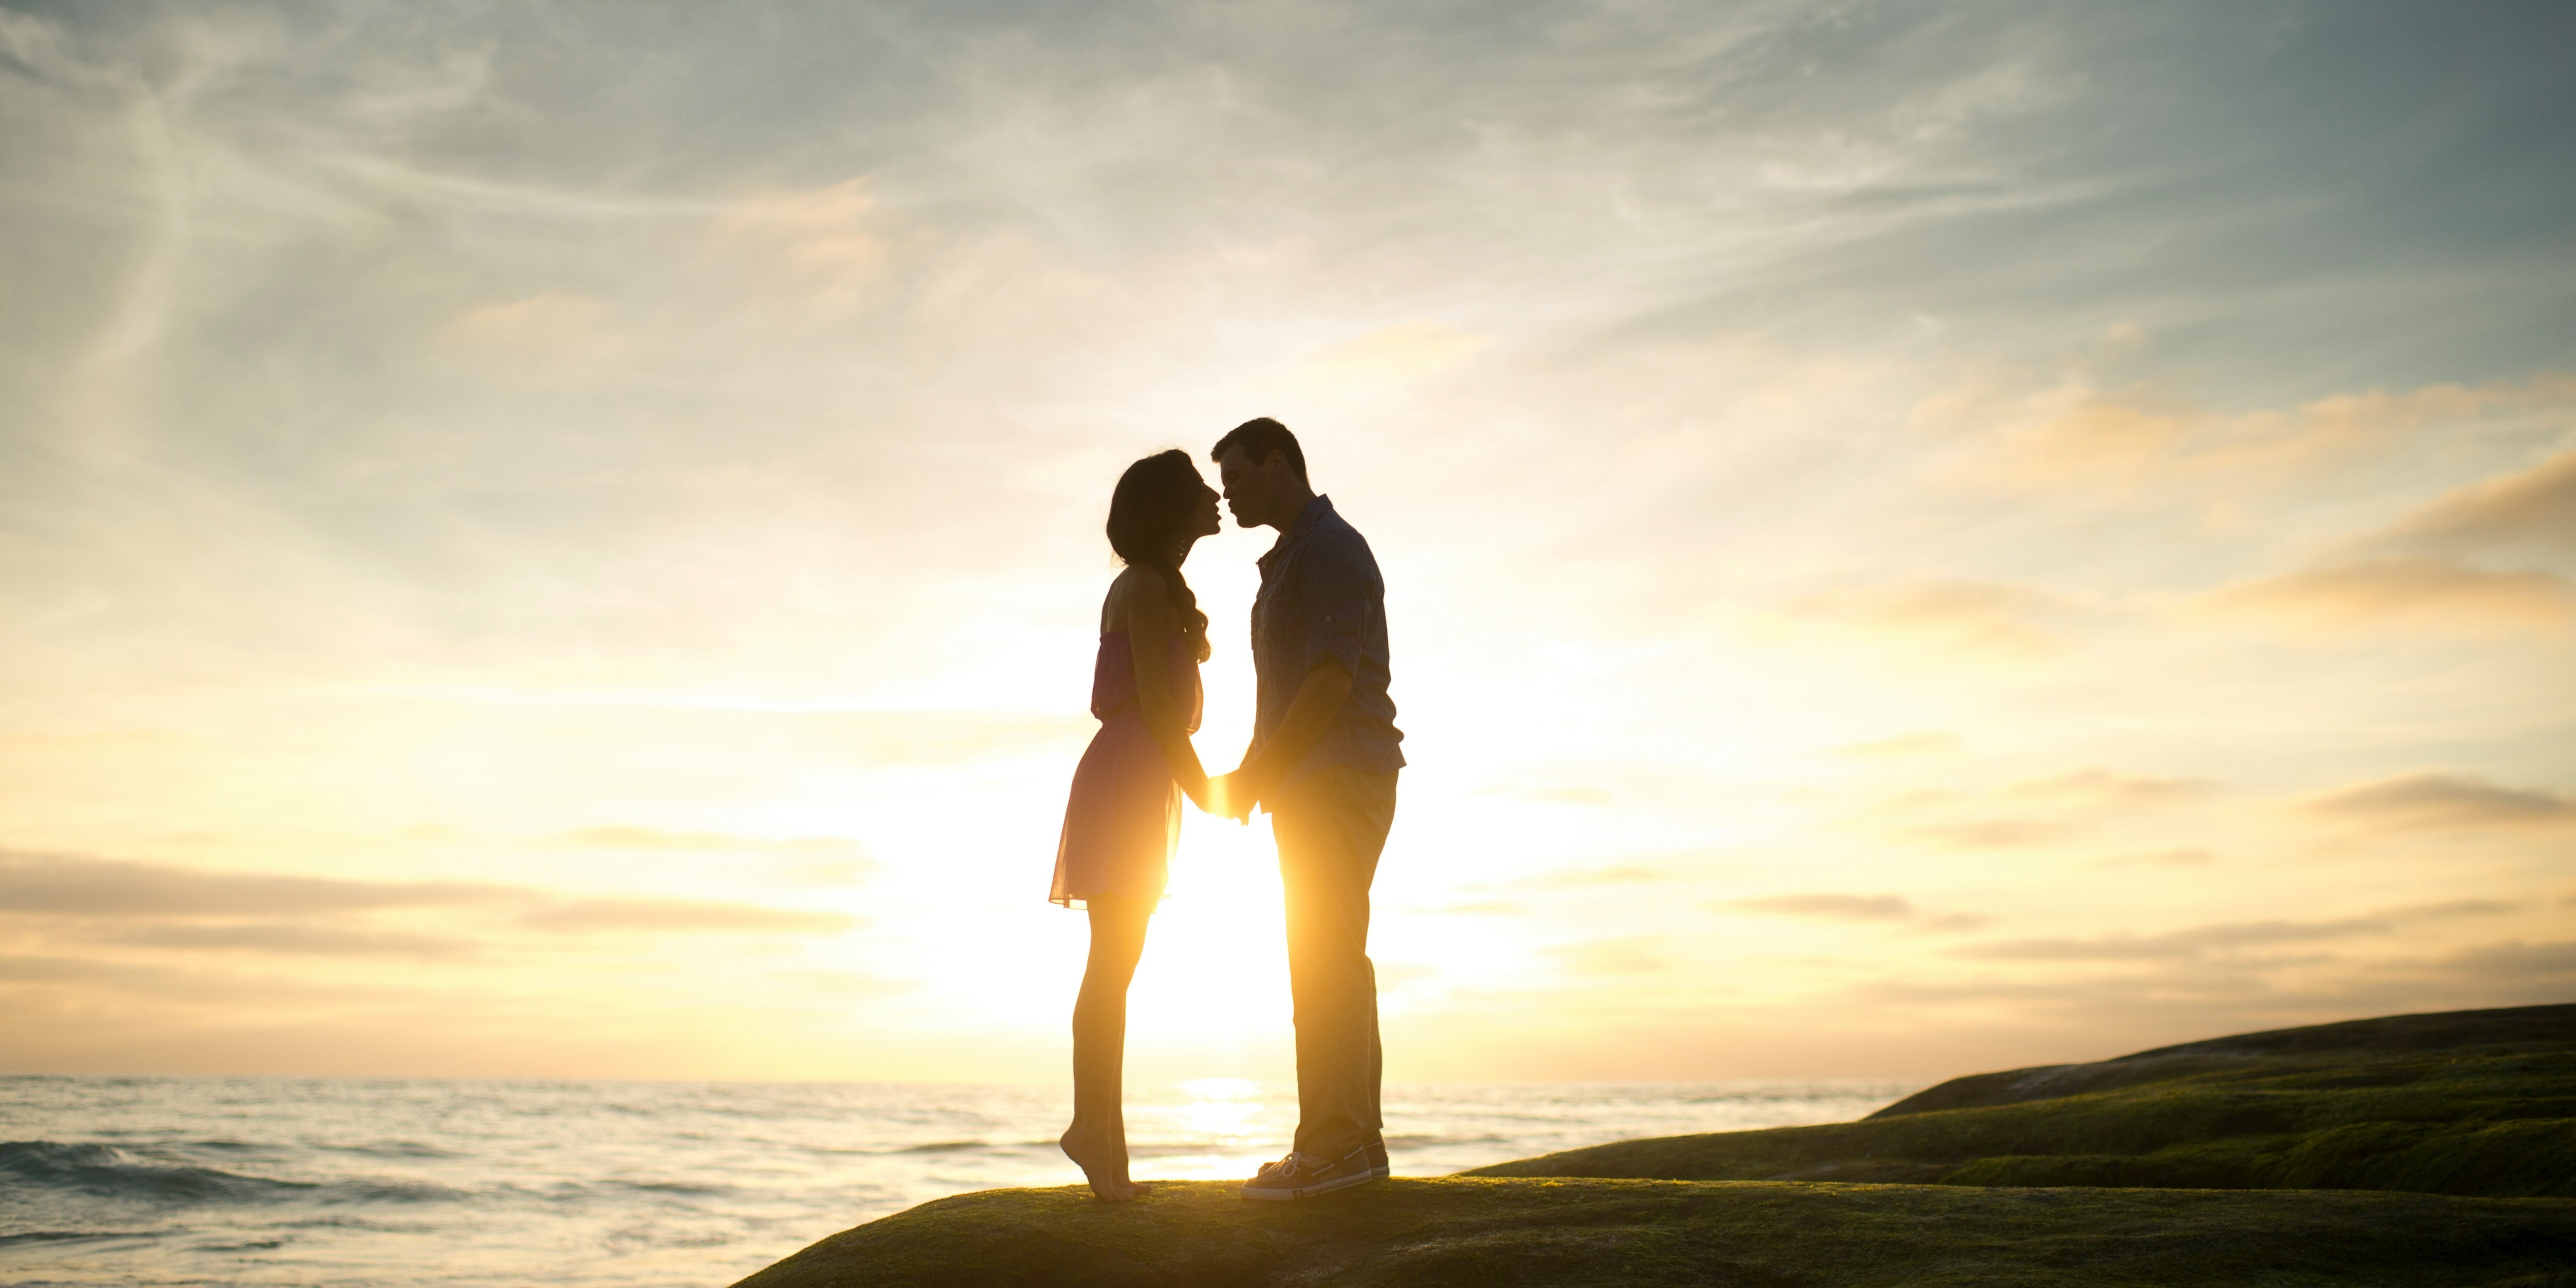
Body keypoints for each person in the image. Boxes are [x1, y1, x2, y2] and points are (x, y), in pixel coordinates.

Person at [1206, 418, 1405, 1201]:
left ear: (1280, 464)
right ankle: (1355, 1144)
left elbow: (1326, 682)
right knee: (1334, 955)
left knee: (1324, 957)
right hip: (1319, 776)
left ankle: (1331, 1147)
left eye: (1241, 479)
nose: (1230, 496)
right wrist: (1260, 773)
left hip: (1337, 773)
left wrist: (1258, 775)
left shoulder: (1326, 550)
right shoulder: (1297, 555)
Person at [1050, 448, 1223, 1202]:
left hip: (1138, 775)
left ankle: (1106, 1147)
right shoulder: (1146, 586)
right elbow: (1156, 704)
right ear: (1171, 510)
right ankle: (1095, 1135)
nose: (1215, 498)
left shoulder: (1154, 585)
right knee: (1113, 965)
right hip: (1130, 773)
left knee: (1117, 965)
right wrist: (1210, 792)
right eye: (1199, 492)